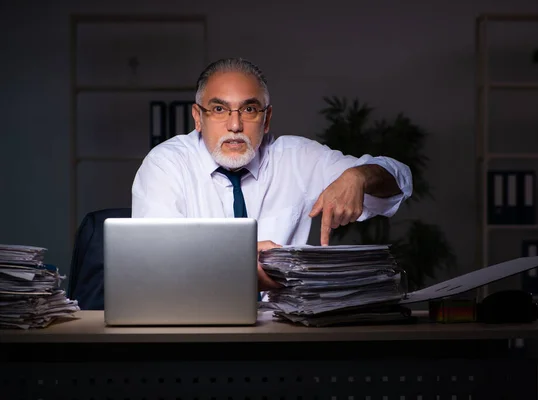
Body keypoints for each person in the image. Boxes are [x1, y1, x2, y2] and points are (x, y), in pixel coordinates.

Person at [131, 58, 413, 292]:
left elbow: (399, 179)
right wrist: (238, 256)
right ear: (197, 117)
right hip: (193, 327)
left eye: (249, 109)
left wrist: (360, 176)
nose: (235, 125)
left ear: (266, 119)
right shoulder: (166, 164)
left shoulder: (297, 158)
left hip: (283, 329)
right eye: (219, 109)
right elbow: (155, 256)